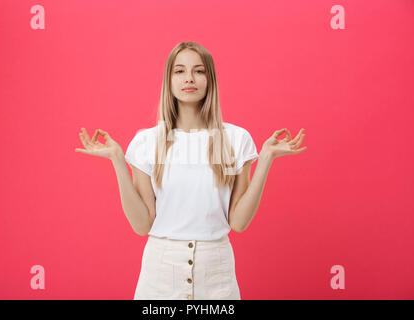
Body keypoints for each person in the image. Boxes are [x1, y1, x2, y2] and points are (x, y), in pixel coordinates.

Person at [75, 41, 307, 300]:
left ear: (210, 79)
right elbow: (142, 225)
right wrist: (117, 159)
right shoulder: (146, 142)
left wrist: (266, 158)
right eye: (179, 71)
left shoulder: (236, 139)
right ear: (169, 80)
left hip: (217, 272)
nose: (189, 79)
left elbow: (238, 222)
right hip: (160, 274)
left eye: (198, 71)